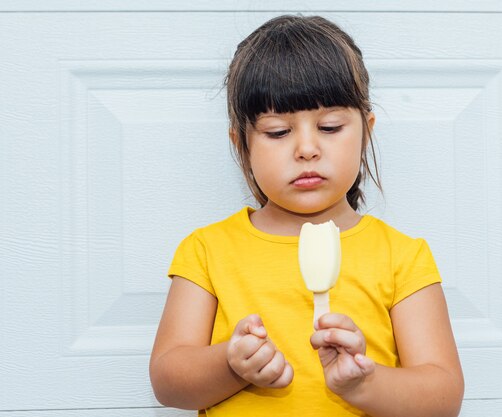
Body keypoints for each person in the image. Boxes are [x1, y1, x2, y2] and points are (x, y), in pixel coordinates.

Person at [150, 14, 464, 417]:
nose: (307, 149)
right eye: (279, 132)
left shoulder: (403, 257)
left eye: (330, 127)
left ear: (366, 131)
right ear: (241, 144)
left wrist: (366, 382)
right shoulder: (206, 251)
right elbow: (167, 382)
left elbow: (443, 397)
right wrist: (230, 364)